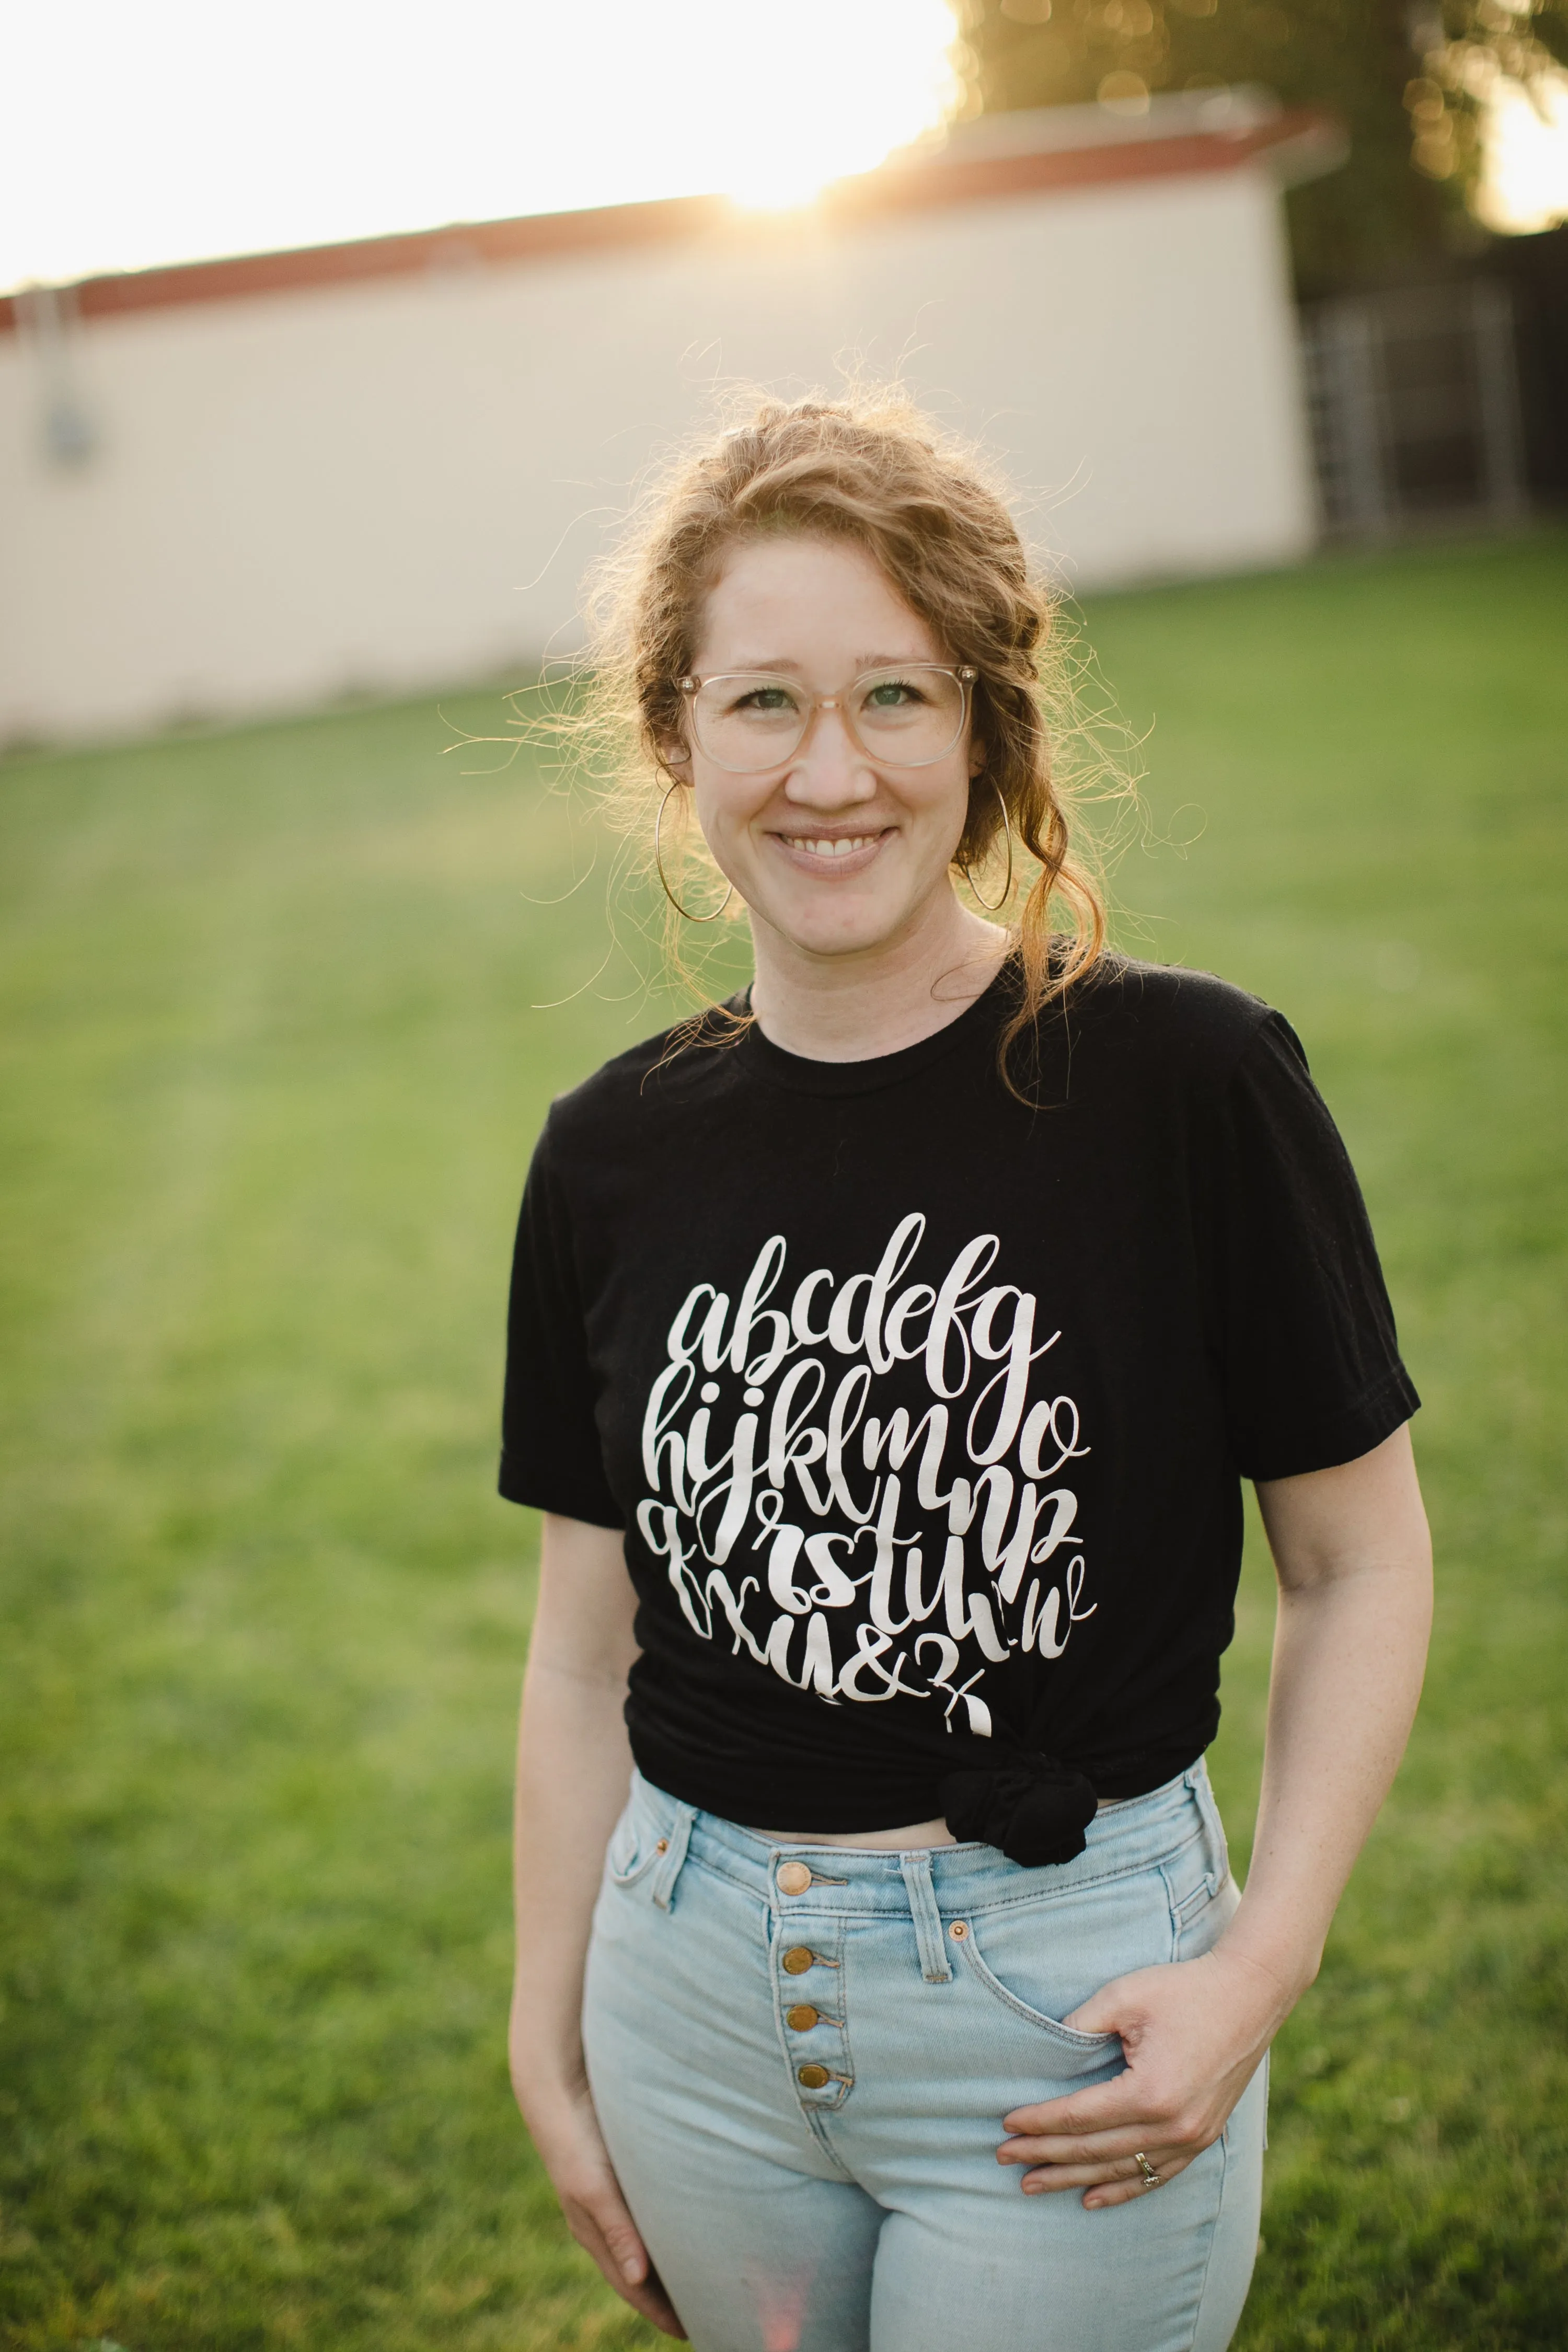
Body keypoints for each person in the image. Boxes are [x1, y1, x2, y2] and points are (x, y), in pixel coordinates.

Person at [499, 392, 1433, 2352]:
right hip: (689, 1998)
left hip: (1063, 1999)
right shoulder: (606, 1151)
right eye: (763, 701)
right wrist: (550, 2011)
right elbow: (587, 1646)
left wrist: (1265, 1959)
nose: (828, 771)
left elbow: (1359, 1563)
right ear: (674, 735)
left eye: (896, 698)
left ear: (990, 727)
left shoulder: (1185, 1082)